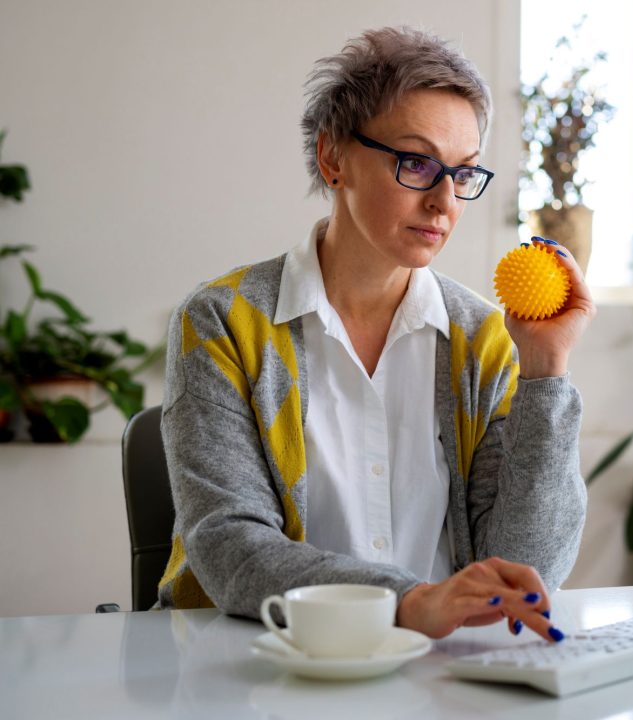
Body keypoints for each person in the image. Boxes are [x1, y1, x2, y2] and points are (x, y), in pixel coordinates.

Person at [157, 26, 594, 644]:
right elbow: (230, 548)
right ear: (334, 158)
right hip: (259, 668)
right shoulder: (222, 322)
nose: (445, 201)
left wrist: (546, 372)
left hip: (436, 673)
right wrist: (409, 601)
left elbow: (527, 572)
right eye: (417, 163)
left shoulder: (483, 340)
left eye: (465, 173)